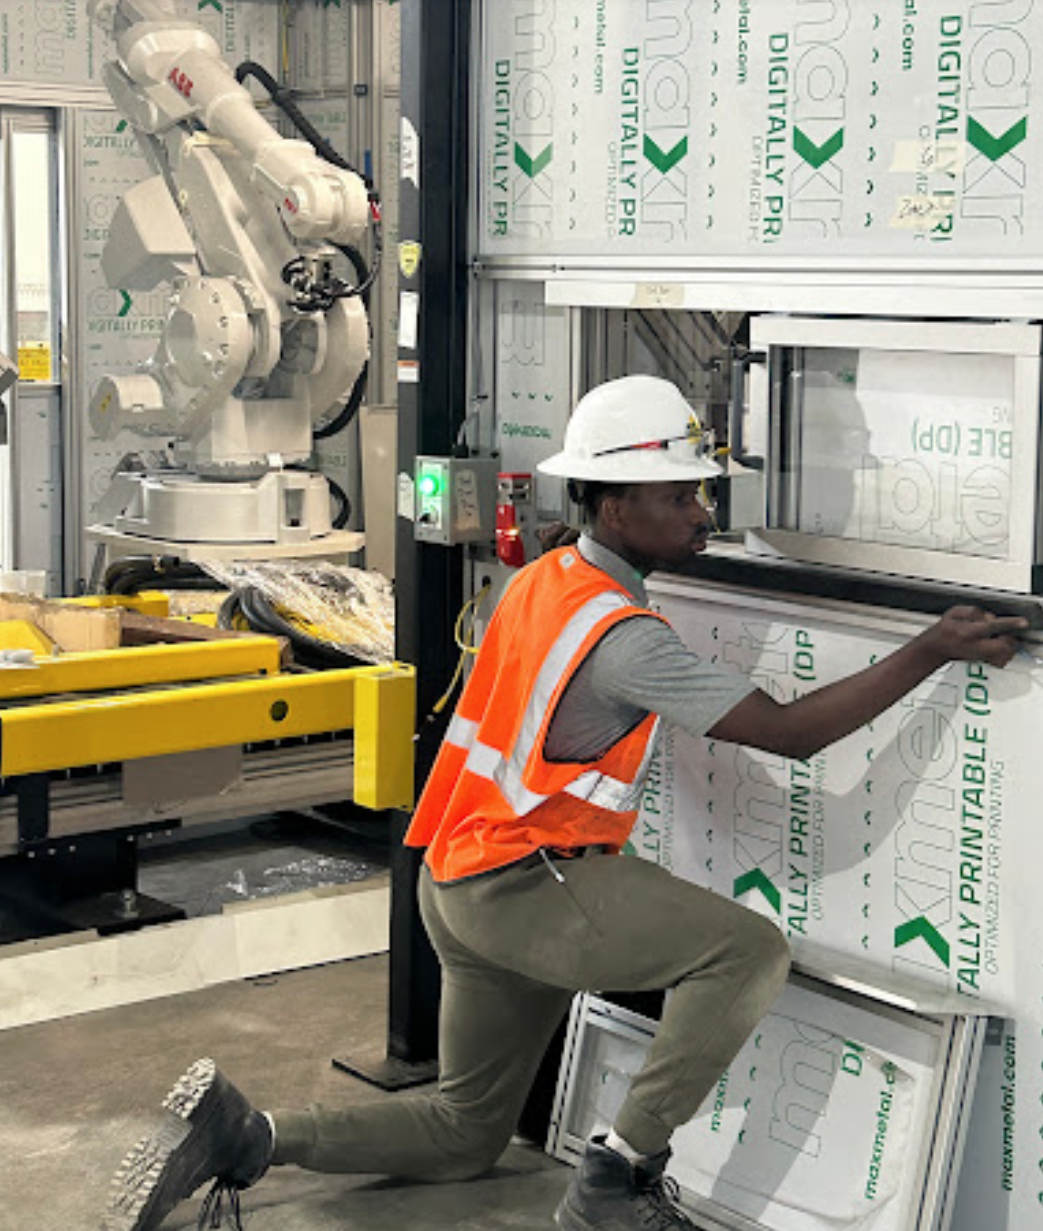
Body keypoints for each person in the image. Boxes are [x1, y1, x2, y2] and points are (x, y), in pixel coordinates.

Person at [100, 375, 1028, 1231]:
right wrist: (930, 648)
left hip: (455, 880)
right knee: (744, 952)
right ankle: (616, 1177)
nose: (701, 513)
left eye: (701, 492)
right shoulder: (624, 636)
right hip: (528, 885)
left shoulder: (547, 577)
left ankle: (248, 1135)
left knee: (466, 1129)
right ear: (614, 505)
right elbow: (789, 734)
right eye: (680, 497)